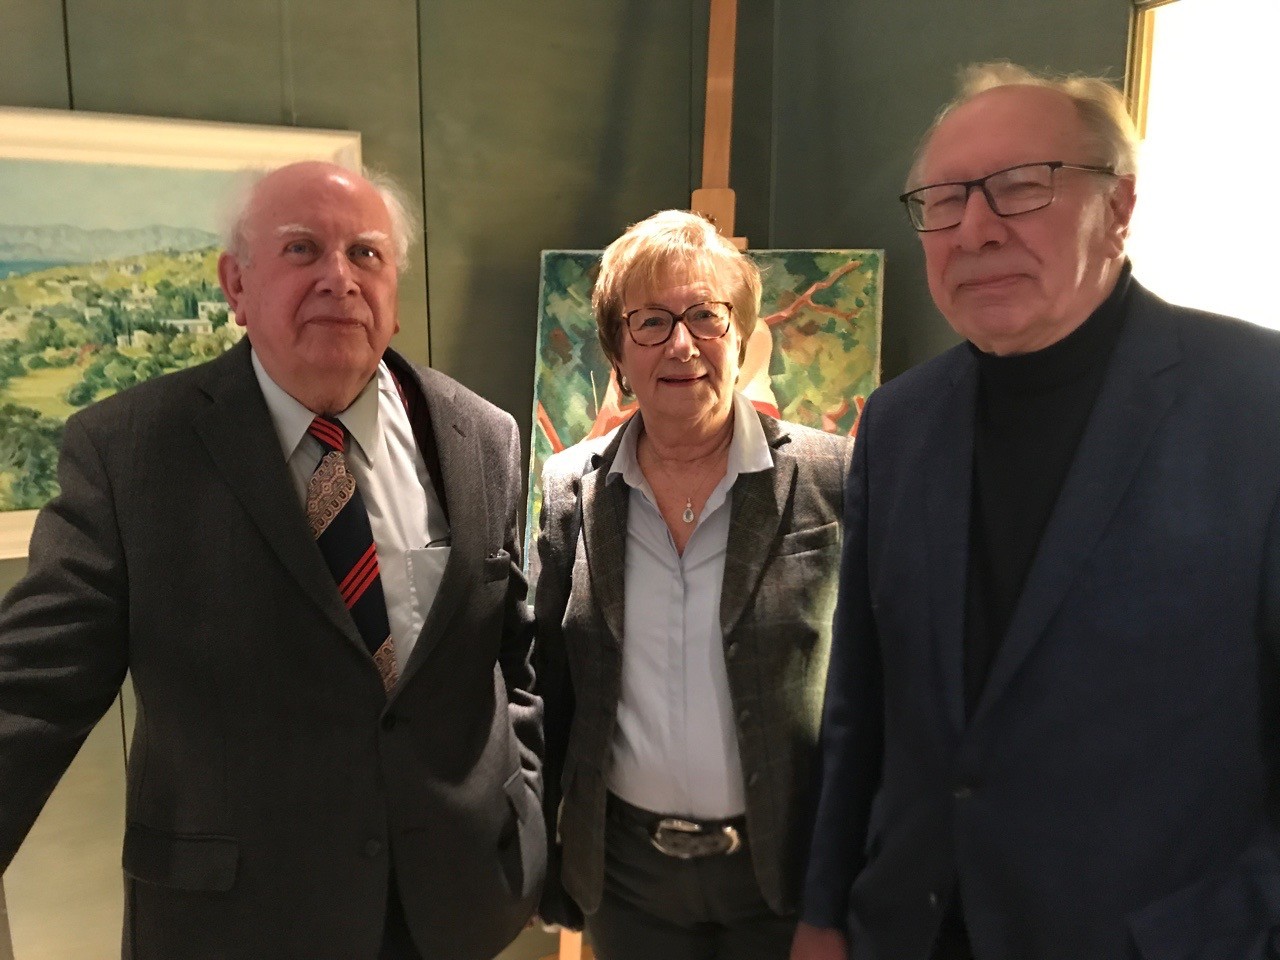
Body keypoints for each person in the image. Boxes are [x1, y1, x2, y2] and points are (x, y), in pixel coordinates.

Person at [792, 61, 1280, 960]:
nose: (975, 229)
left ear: (1118, 206)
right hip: (907, 930)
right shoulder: (900, 421)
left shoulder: (1257, 402)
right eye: (944, 200)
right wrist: (824, 914)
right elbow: (862, 701)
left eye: (1021, 187)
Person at [0, 161, 544, 960]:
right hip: (237, 922)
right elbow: (30, 688)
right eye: (301, 249)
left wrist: (520, 812)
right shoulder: (132, 451)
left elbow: (510, 652)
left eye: (366, 254)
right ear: (236, 284)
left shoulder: (480, 437)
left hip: (448, 911)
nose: (339, 278)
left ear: (394, 290)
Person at [535, 209, 852, 960]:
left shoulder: (835, 477)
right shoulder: (572, 490)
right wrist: (547, 860)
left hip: (784, 875)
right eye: (650, 321)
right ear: (618, 352)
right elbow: (550, 686)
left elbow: (877, 688)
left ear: (741, 334)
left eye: (706, 315)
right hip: (628, 881)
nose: (682, 344)